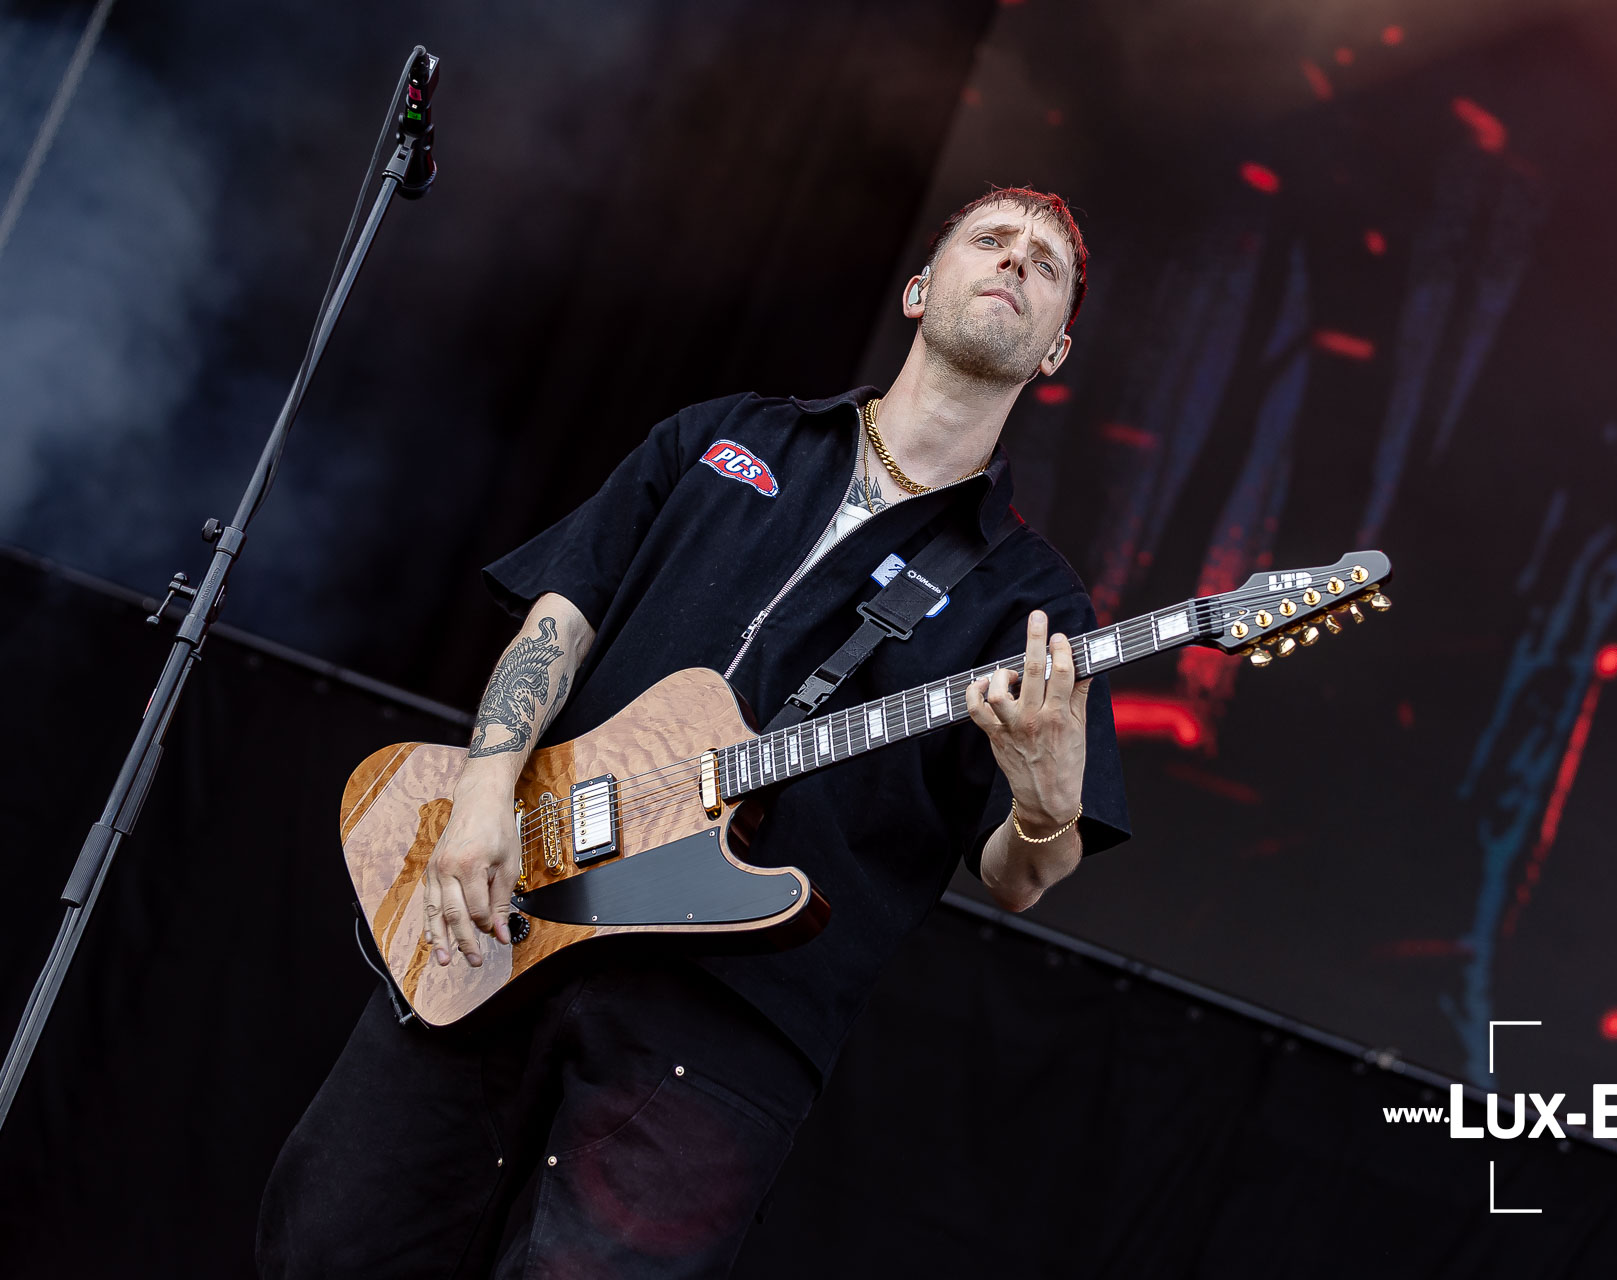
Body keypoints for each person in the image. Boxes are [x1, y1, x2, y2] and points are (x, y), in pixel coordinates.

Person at [258, 186, 1130, 1279]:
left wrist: (1046, 802)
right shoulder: (729, 434)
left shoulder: (1031, 599)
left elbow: (1016, 877)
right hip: (509, 913)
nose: (1014, 263)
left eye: (1046, 267)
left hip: (727, 1023)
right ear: (918, 289)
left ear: (1055, 352)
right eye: (992, 240)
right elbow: (559, 619)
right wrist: (481, 797)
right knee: (330, 1244)